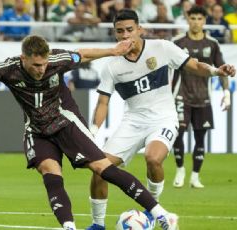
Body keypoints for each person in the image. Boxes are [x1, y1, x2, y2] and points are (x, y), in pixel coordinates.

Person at [0, 34, 180, 230]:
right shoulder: (7, 68)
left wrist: (112, 50)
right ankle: (69, 226)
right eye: (35, 65)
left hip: (66, 123)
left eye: (44, 64)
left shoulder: (57, 59)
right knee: (51, 174)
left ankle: (160, 214)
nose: (41, 69)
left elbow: (83, 54)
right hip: (37, 131)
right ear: (23, 58)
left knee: (103, 168)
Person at [87, 9, 235, 230]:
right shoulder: (112, 66)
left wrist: (216, 71)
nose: (125, 35)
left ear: (140, 29)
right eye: (120, 31)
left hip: (163, 119)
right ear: (115, 34)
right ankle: (97, 225)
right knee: (100, 168)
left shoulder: (162, 48)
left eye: (129, 30)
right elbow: (103, 102)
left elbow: (195, 65)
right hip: (133, 122)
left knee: (153, 159)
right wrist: (93, 131)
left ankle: (151, 210)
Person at [171, 6, 231, 189]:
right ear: (187, 19)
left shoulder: (212, 43)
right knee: (178, 134)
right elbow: (167, 70)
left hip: (203, 98)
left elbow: (222, 70)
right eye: (193, 18)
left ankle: (195, 176)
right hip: (181, 96)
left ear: (204, 20)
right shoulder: (177, 42)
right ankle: (180, 170)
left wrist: (226, 93)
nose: (196, 22)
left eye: (199, 18)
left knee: (200, 138)